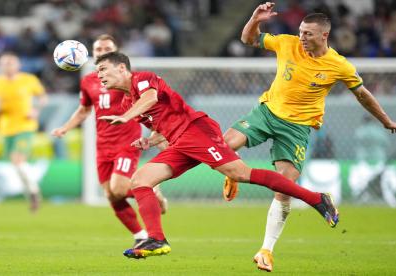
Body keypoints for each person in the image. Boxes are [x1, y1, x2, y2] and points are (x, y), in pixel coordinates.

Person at [96, 51, 339, 260]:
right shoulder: (129, 103)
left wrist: (126, 119)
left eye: (103, 69)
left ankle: (317, 198)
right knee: (140, 180)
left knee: (240, 173)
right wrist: (150, 140)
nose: (100, 75)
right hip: (180, 141)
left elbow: (150, 97)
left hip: (195, 131)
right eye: (97, 72)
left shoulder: (143, 79)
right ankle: (156, 239)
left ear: (121, 67)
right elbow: (162, 126)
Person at [223, 2, 396, 272]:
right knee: (224, 145)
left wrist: (386, 120)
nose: (302, 37)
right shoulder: (287, 43)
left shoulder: (338, 65)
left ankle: (266, 251)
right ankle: (232, 172)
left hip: (297, 128)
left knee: (284, 188)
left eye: (308, 34)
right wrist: (255, 19)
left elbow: (362, 94)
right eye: (301, 32)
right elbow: (248, 39)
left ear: (324, 35)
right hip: (266, 112)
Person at [51, 35, 168, 248]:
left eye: (107, 48)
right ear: (92, 54)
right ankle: (140, 235)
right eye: (98, 48)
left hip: (127, 140)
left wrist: (156, 132)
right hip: (102, 144)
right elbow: (84, 109)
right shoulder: (88, 81)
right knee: (111, 194)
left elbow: (146, 101)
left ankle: (150, 191)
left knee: (120, 187)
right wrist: (65, 128)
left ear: (115, 52)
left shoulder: (124, 77)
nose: (102, 50)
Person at [0, 52, 48, 213]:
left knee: (17, 160)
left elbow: (43, 97)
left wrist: (36, 109)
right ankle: (32, 191)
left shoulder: (29, 80)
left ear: (18, 65)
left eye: (11, 63)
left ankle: (33, 192)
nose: (8, 66)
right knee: (16, 165)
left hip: (25, 126)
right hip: (6, 128)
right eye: (5, 64)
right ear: (1, 66)